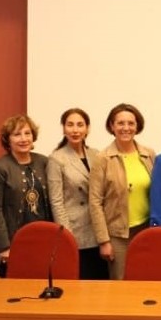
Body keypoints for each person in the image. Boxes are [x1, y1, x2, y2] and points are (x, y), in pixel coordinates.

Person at [89, 103, 155, 280]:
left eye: (131, 123)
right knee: (121, 283)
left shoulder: (148, 154)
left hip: (145, 229)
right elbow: (95, 202)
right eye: (120, 123)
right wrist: (104, 241)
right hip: (118, 236)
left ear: (137, 126)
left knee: (146, 278)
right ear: (112, 126)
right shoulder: (102, 159)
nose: (126, 128)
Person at [0, 113, 52, 277]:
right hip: (13, 242)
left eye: (27, 133)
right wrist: (3, 247)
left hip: (42, 239)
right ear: (8, 140)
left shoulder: (44, 162)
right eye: (17, 134)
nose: (23, 139)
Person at [47, 107, 108, 280]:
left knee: (101, 282)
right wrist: (67, 236)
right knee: (82, 281)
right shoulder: (57, 159)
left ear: (87, 128)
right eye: (70, 125)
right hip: (76, 230)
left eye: (80, 125)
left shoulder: (96, 154)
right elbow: (56, 201)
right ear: (63, 128)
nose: (75, 130)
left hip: (98, 228)